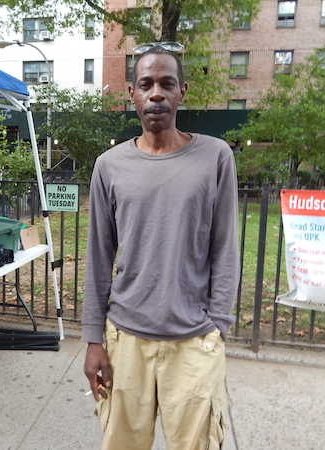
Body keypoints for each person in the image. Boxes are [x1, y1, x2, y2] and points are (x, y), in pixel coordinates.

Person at [81, 45, 240, 450]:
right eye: (146, 84)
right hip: (125, 341)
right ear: (131, 93)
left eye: (167, 84)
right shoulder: (110, 166)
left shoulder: (215, 157)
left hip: (193, 340)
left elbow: (225, 248)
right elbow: (99, 256)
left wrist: (217, 326)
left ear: (181, 92)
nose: (156, 94)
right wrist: (93, 340)